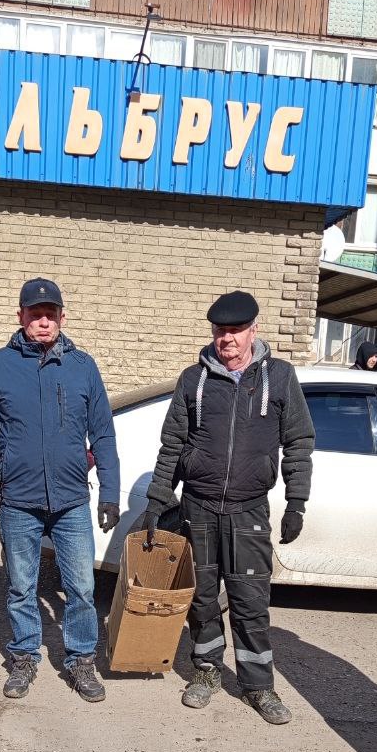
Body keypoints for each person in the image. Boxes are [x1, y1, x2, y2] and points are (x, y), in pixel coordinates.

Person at [143, 290, 315, 724]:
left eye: (236, 330)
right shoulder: (193, 380)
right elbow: (172, 444)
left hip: (248, 510)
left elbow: (298, 442)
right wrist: (157, 500)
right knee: (202, 599)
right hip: (197, 508)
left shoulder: (280, 377)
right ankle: (206, 671)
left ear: (254, 330)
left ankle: (258, 687)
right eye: (221, 330)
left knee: (250, 602)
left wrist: (296, 502)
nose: (227, 339)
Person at [0, 279, 120, 703]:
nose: (44, 322)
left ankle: (81, 659)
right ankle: (25, 655)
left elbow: (103, 434)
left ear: (62, 317)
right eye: (35, 315)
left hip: (71, 501)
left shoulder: (82, 366)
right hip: (18, 500)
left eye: (51, 314)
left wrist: (110, 492)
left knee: (82, 588)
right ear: (21, 317)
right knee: (21, 587)